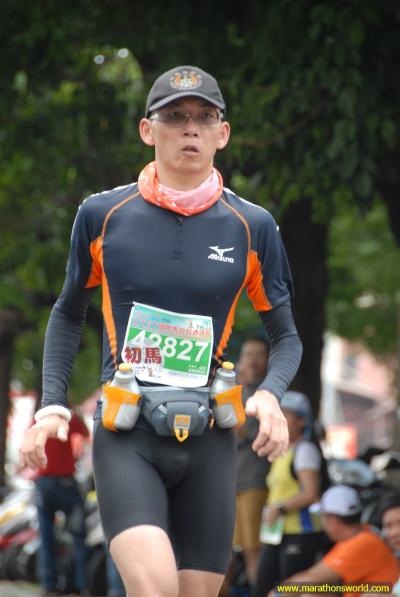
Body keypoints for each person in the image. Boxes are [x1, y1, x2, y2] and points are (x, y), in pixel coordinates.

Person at [20, 65, 302, 597]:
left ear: (223, 133)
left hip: (210, 437)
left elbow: (286, 334)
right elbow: (68, 311)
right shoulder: (103, 214)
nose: (190, 128)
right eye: (174, 116)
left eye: (204, 117)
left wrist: (270, 394)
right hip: (127, 433)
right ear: (148, 130)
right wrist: (52, 405)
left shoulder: (253, 226)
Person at [254, 391, 328, 597]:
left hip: (300, 533)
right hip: (277, 533)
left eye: (287, 414)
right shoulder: (284, 449)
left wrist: (280, 508)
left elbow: (310, 493)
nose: (280, 419)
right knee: (262, 588)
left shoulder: (305, 450)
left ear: (303, 421)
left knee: (289, 591)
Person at [271, 485, 399, 597]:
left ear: (332, 519)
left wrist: (277, 594)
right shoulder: (364, 532)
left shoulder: (362, 542)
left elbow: (310, 579)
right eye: (389, 526)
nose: (394, 532)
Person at [34, 409, 90, 596]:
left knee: (45, 536)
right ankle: (81, 586)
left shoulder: (40, 419)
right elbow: (85, 434)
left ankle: (49, 586)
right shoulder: (70, 418)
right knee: (78, 535)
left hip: (44, 482)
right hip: (66, 483)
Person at [232, 337, 270, 592]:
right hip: (231, 480)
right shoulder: (235, 389)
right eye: (249, 354)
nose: (253, 360)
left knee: (253, 550)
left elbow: (243, 431)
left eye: (259, 354)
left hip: (254, 480)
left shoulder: (268, 393)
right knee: (230, 550)